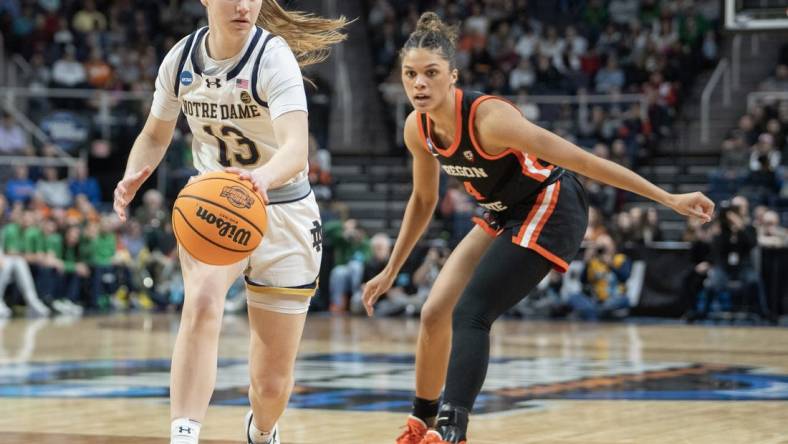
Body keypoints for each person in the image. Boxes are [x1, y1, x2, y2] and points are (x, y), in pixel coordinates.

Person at [361, 13, 714, 444]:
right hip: (503, 209)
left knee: (471, 311)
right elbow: (423, 200)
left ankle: (453, 431)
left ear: (452, 75)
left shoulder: (490, 119)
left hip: (552, 203)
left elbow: (581, 160)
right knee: (434, 313)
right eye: (410, 74)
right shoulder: (417, 128)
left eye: (430, 73)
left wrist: (668, 198)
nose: (418, 84)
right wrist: (392, 269)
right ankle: (421, 423)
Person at [112, 2, 347, 444]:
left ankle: (262, 432)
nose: (242, 5)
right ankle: (184, 436)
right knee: (200, 301)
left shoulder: (272, 57)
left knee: (271, 386)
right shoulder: (181, 60)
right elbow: (155, 133)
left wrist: (258, 180)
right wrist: (133, 172)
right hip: (217, 205)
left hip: (284, 210)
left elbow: (297, 149)